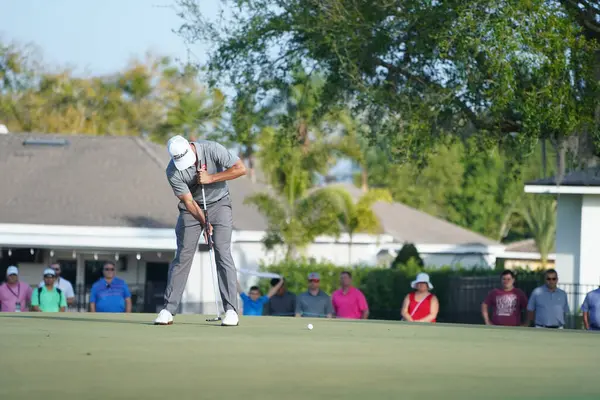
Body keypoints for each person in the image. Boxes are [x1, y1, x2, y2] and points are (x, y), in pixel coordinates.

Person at [154, 135, 247, 326]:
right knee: (183, 256)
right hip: (192, 210)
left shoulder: (212, 149)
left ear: (190, 146)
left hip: (220, 203)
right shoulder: (173, 171)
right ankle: (168, 310)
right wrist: (205, 223)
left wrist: (211, 178)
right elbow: (188, 201)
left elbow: (240, 169)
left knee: (222, 252)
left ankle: (231, 310)